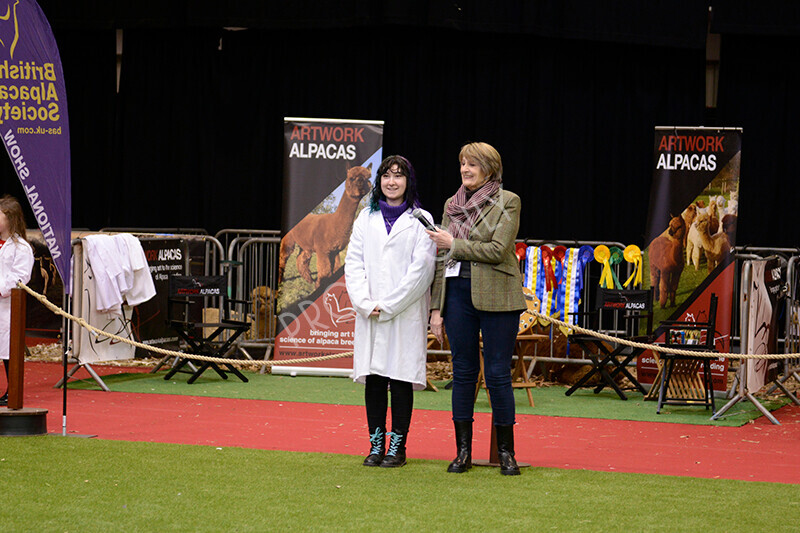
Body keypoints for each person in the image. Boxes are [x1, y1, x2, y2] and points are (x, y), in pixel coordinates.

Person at [427, 142, 526, 475]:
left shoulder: (508, 201)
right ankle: (463, 452)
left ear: (490, 168)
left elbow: (499, 249)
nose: (465, 170)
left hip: (499, 295)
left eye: (472, 164)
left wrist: (454, 244)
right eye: (462, 164)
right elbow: (442, 261)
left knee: (498, 375)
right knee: (463, 374)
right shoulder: (450, 205)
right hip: (456, 296)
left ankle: (506, 452)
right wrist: (436, 310)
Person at [345, 155, 436, 468]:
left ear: (408, 181)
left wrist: (390, 305)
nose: (392, 182)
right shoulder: (364, 219)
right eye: (386, 175)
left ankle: (398, 446)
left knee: (399, 377)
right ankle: (375, 444)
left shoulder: (421, 219)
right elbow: (353, 264)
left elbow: (422, 269)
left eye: (399, 176)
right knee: (374, 379)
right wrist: (366, 303)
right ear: (379, 181)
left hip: (403, 313)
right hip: (369, 312)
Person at [0, 195, 34, 406]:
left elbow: (19, 277)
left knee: (7, 350)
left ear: (10, 219)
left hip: (7, 307)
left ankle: (12, 391)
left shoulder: (21, 248)